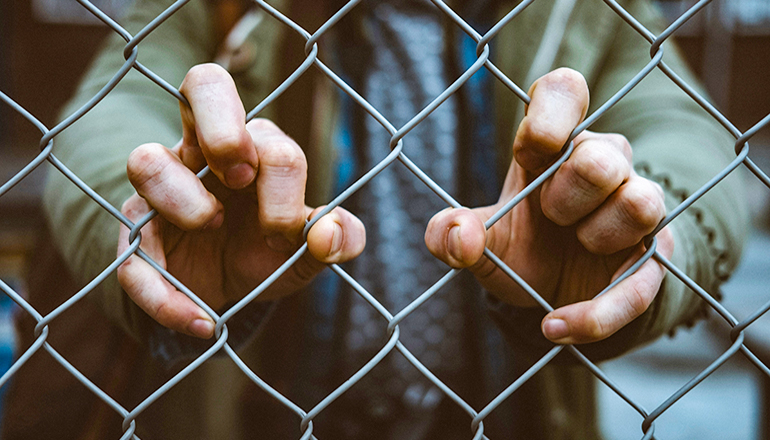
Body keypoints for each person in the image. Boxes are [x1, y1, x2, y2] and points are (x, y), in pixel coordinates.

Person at [1, 0, 748, 438]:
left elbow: (687, 131)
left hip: (507, 410)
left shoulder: (579, 11)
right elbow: (110, 111)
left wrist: (644, 226)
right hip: (263, 408)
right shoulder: (222, 10)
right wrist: (149, 213)